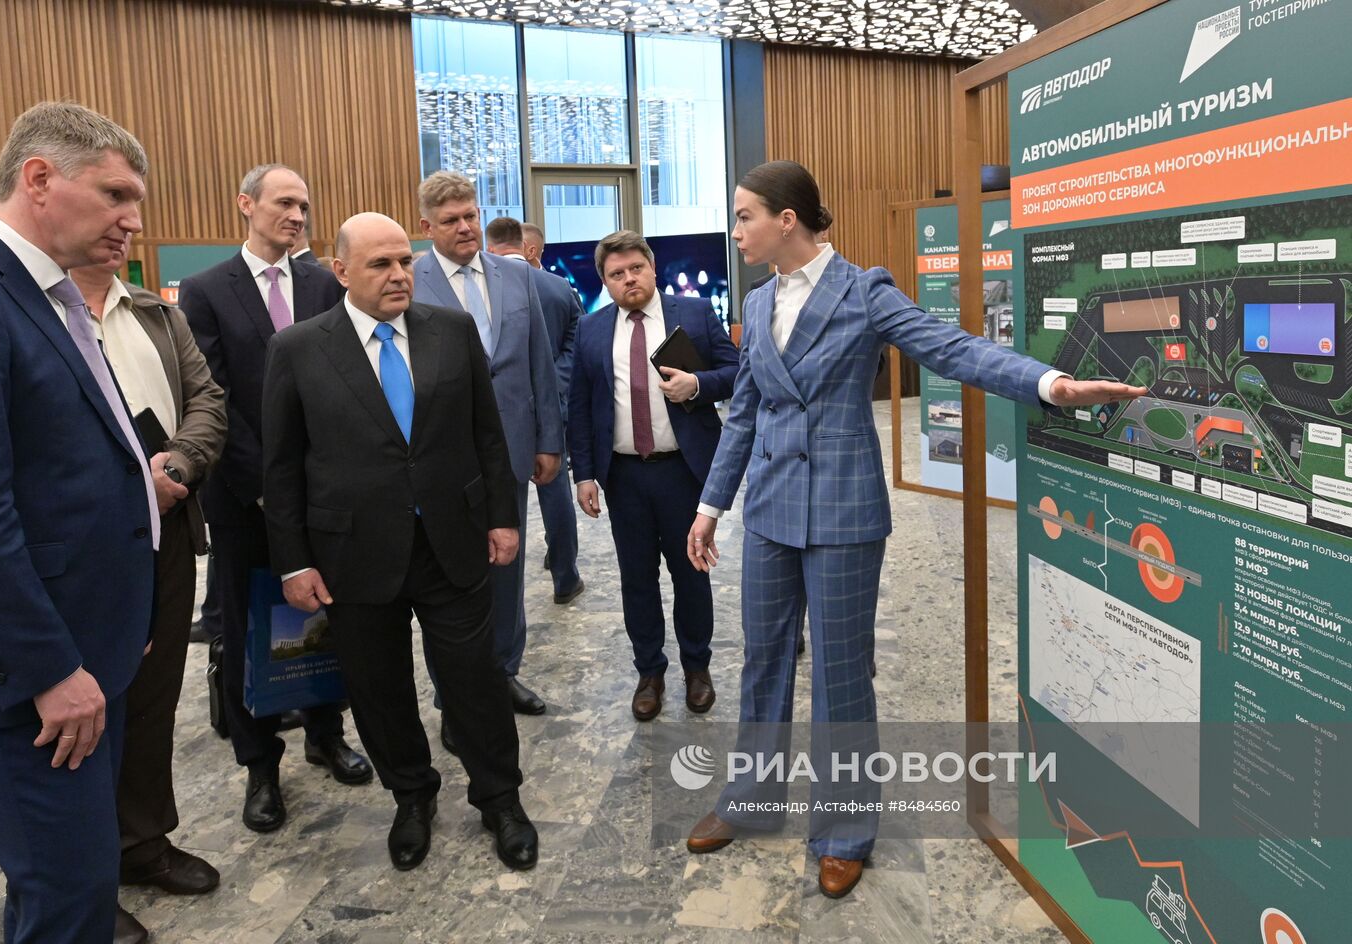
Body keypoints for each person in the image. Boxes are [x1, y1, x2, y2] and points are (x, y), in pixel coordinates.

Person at [683, 160, 1146, 899]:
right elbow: (746, 411)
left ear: (786, 219)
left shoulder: (864, 291)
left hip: (842, 511)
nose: (735, 229)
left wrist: (1047, 384)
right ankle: (751, 799)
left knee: (841, 674)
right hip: (769, 510)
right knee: (763, 660)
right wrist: (711, 507)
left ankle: (843, 831)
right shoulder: (758, 298)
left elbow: (953, 347)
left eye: (744, 216)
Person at [262, 212, 539, 872]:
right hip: (353, 553)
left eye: (404, 261)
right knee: (378, 687)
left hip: (452, 541)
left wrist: (502, 518)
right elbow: (282, 467)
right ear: (341, 271)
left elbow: (487, 434)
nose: (398, 275)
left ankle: (499, 798)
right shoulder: (298, 349)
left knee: (476, 681)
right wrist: (293, 562)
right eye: (380, 264)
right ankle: (412, 795)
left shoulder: (451, 330)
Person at [0, 101, 158, 944]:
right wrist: (48, 669)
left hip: (82, 650)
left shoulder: (41, 296)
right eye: (115, 195)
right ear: (39, 178)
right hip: (28, 684)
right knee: (69, 898)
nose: (133, 220)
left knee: (69, 883)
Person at [181, 163, 372, 835]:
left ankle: (326, 733)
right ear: (246, 204)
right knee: (249, 627)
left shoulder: (324, 284)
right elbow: (211, 397)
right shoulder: (206, 291)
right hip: (246, 499)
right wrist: (267, 488)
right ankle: (260, 764)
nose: (297, 215)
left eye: (304, 205)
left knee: (323, 617)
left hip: (325, 495)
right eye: (284, 203)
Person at [71, 241, 228, 936]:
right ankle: (81, 882)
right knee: (82, 717)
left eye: (133, 207)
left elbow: (207, 400)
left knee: (153, 698)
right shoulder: (28, 313)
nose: (128, 224)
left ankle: (141, 844)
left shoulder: (157, 315)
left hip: (165, 535)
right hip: (80, 554)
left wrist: (180, 467)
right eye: (112, 199)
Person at [567, 230, 739, 720]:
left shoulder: (695, 313)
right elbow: (580, 405)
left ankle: (697, 667)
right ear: (605, 282)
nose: (629, 279)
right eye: (617, 274)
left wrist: (697, 384)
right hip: (624, 477)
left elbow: (737, 371)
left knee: (691, 574)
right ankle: (649, 671)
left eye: (636, 269)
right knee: (636, 578)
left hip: (683, 472)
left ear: (652, 267)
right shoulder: (592, 329)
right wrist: (584, 474)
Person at [411, 172, 562, 728]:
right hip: (443, 459)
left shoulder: (515, 276)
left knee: (508, 569)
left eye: (470, 215)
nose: (465, 227)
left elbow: (539, 361)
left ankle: (502, 673)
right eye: (450, 220)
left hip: (513, 450)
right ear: (427, 226)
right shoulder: (411, 280)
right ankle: (455, 698)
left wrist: (549, 440)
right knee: (450, 581)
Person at [485, 216, 584, 605]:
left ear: (490, 248)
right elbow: (576, 343)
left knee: (500, 500)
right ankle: (565, 577)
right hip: (550, 409)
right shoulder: (559, 287)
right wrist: (554, 386)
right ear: (529, 248)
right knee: (555, 492)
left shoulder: (482, 288)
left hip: (497, 413)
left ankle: (504, 588)